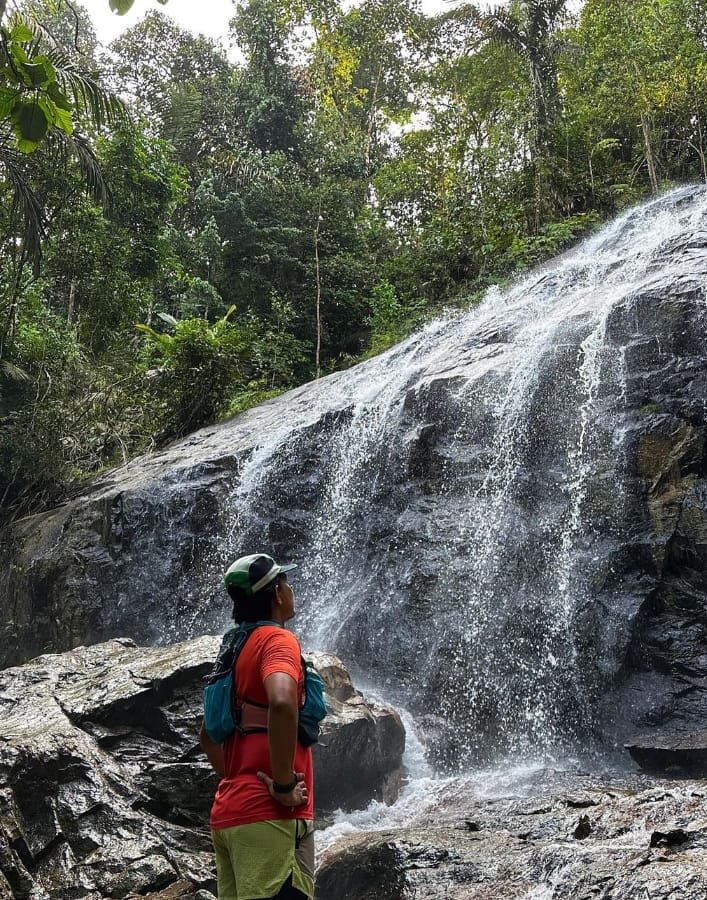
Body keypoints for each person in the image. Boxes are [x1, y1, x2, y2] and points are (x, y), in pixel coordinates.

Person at [200, 552, 315, 900]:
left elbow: (208, 736)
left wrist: (242, 781)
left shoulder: (233, 649)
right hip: (271, 819)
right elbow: (282, 701)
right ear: (277, 594)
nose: (291, 590)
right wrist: (282, 785)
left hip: (230, 816)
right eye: (286, 583)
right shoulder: (276, 641)